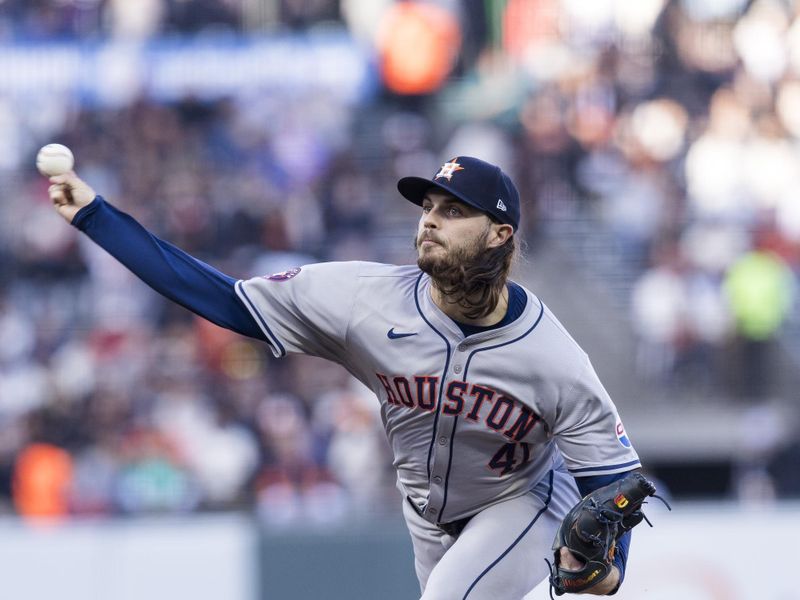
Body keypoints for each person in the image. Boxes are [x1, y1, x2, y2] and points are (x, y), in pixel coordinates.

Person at [48, 156, 642, 598]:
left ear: (500, 234)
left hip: (522, 499)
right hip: (427, 515)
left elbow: (614, 482)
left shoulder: (551, 355)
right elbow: (224, 298)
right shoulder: (363, 298)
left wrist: (604, 571)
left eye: (454, 211)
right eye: (428, 208)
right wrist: (99, 218)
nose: (430, 221)